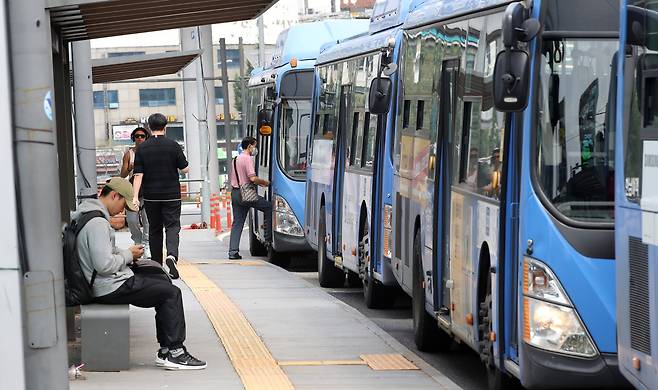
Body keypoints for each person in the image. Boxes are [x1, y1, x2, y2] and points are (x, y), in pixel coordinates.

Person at [73, 177, 206, 370]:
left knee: (161, 280)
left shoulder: (88, 215)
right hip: (108, 286)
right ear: (114, 195)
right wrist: (128, 255)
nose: (122, 211)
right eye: (123, 205)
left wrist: (127, 254)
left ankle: (167, 350)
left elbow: (103, 253)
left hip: (103, 282)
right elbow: (104, 265)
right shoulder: (97, 223)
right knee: (171, 293)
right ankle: (175, 352)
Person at [132, 113, 189, 279]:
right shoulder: (173, 145)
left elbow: (138, 175)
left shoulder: (142, 148)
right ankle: (172, 255)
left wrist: (135, 197)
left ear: (149, 127)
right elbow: (185, 169)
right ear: (166, 127)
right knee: (172, 226)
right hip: (172, 195)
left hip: (151, 197)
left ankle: (157, 266)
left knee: (155, 230)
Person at [228, 136, 272, 260]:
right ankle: (268, 239)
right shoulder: (247, 159)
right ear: (249, 146)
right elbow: (252, 178)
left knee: (237, 223)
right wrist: (265, 182)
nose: (255, 149)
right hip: (246, 193)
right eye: (255, 146)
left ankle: (233, 252)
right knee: (269, 207)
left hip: (235, 193)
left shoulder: (235, 159)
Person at [121, 127, 150, 259]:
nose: (139, 138)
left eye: (142, 136)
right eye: (137, 136)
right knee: (132, 219)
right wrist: (130, 167)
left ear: (146, 137)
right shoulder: (129, 154)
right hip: (132, 190)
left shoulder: (150, 152)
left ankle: (146, 244)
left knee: (147, 219)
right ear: (133, 138)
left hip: (148, 189)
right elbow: (122, 174)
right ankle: (137, 242)